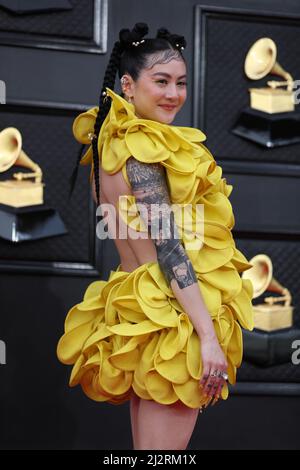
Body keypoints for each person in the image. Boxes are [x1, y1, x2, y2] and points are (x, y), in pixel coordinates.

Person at [57, 22, 254, 450]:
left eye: (181, 83)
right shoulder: (144, 155)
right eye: (160, 81)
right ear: (128, 86)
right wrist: (206, 336)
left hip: (138, 316)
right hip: (172, 323)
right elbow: (169, 248)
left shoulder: (106, 150)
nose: (173, 94)